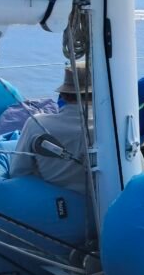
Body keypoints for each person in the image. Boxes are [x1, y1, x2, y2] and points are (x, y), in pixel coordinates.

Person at [10, 63, 93, 193]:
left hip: (53, 207)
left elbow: (18, 172)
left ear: (64, 96)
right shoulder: (116, 130)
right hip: (106, 204)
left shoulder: (37, 124)